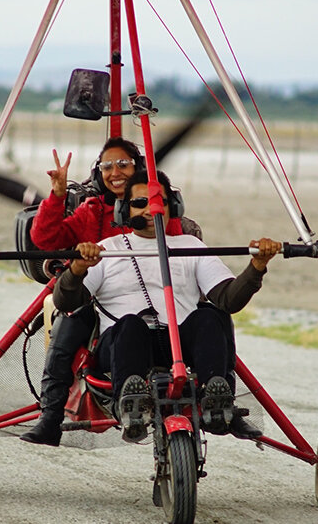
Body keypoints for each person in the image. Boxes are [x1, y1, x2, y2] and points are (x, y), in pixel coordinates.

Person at [54, 170, 276, 442]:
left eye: (160, 202)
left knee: (210, 315)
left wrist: (256, 267)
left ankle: (215, 397)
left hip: (178, 345)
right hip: (125, 344)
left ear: (174, 206)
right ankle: (131, 403)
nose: (151, 209)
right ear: (124, 209)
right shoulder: (106, 249)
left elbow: (228, 299)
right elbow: (66, 302)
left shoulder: (190, 245)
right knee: (131, 323)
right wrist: (76, 270)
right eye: (140, 203)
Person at [22, 137, 187, 446]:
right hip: (98, 300)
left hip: (152, 298)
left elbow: (174, 250)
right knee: (67, 325)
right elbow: (45, 240)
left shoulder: (159, 212)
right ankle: (51, 416)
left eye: (123, 164)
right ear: (99, 173)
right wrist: (57, 196)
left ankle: (220, 399)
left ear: (138, 168)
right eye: (107, 166)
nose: (115, 173)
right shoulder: (91, 212)